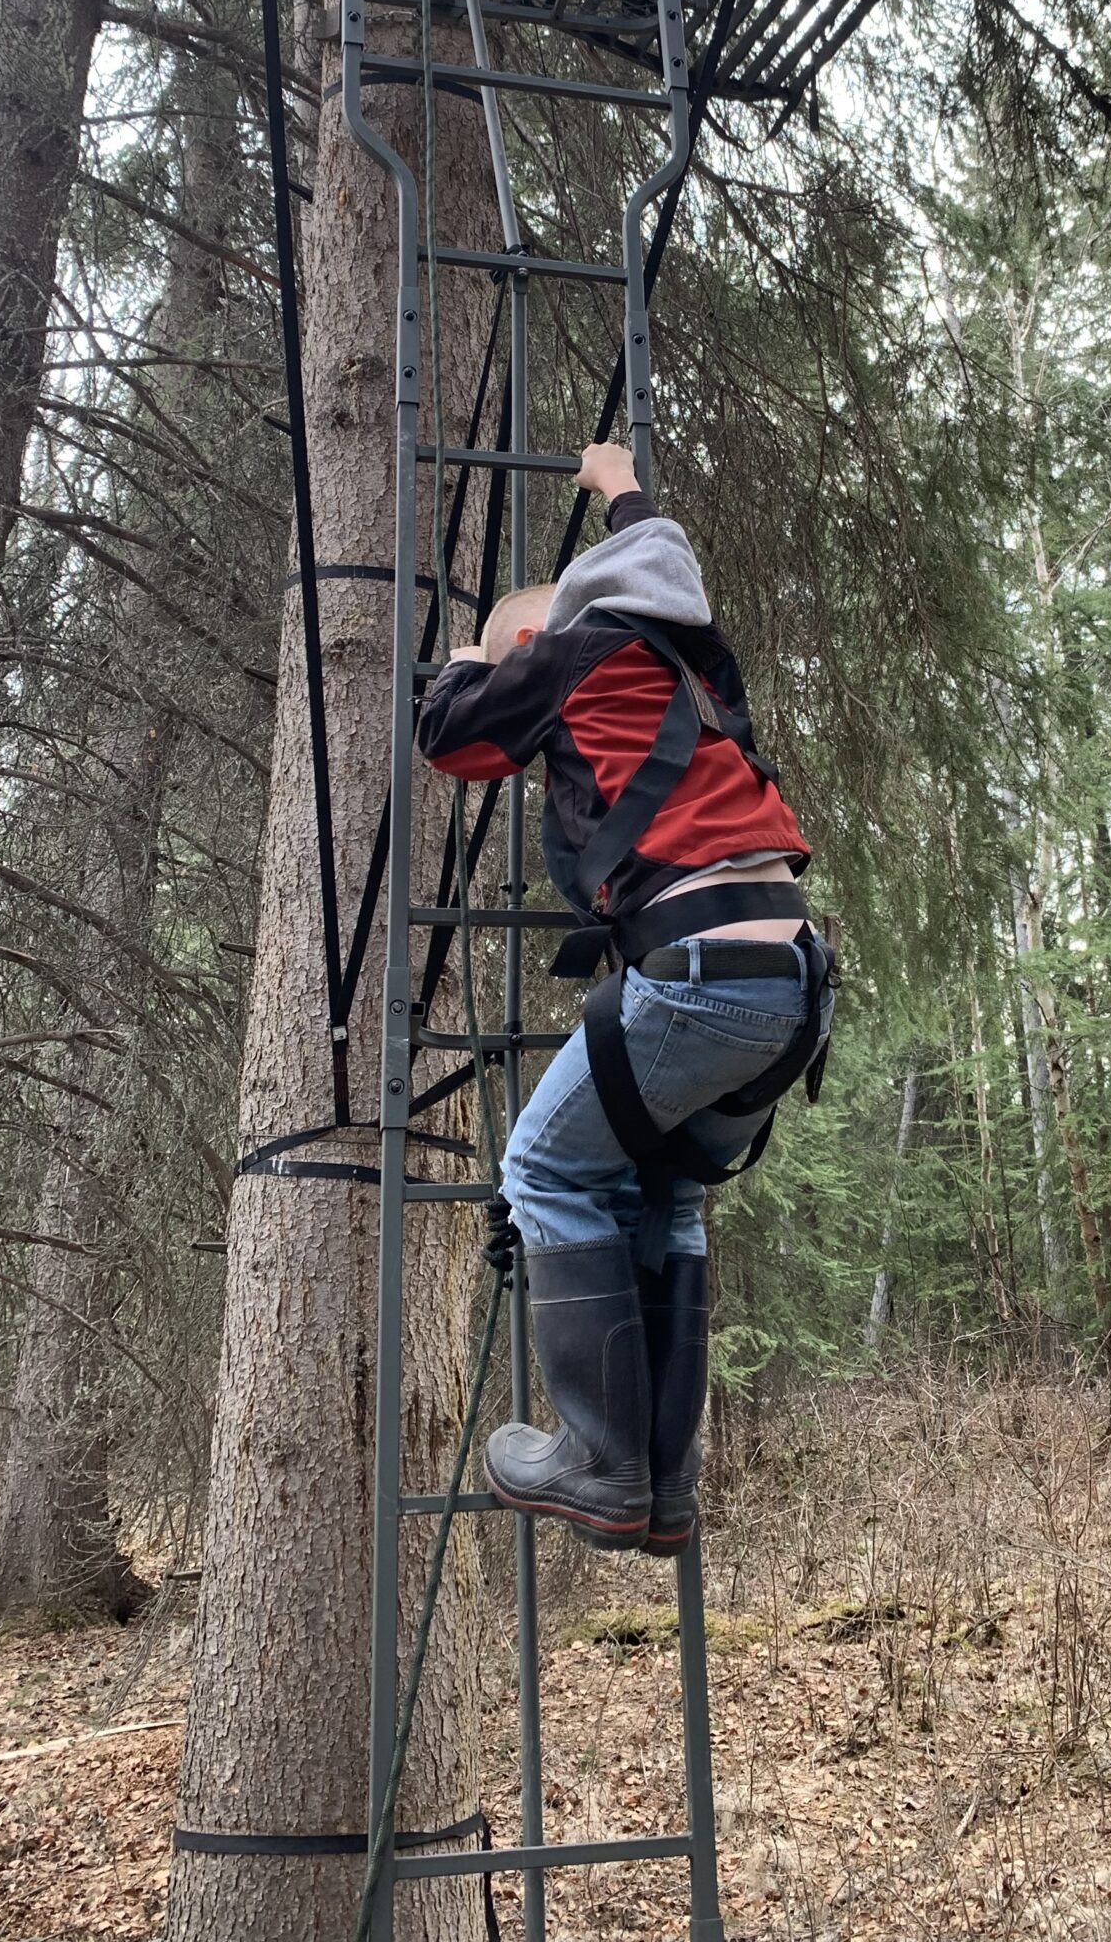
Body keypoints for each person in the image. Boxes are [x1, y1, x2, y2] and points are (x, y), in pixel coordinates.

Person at [418, 441, 834, 1553]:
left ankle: (602, 1464)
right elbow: (655, 549)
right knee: (668, 1196)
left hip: (701, 974)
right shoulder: (694, 655)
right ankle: (665, 1482)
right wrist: (621, 485)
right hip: (792, 978)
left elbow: (450, 740)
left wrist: (471, 659)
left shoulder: (570, 653)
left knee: (547, 1170)